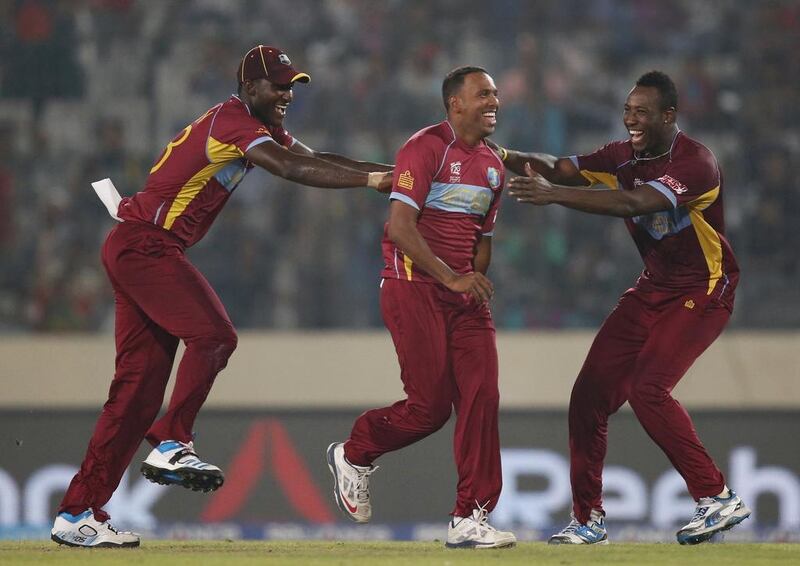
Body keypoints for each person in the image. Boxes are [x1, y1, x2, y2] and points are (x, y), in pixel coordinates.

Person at [51, 44, 393, 548]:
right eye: (278, 86)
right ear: (249, 86)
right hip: (146, 245)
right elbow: (290, 169)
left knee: (136, 394)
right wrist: (372, 180)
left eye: (291, 86)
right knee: (214, 336)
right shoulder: (233, 123)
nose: (286, 95)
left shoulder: (254, 125)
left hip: (140, 245)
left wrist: (391, 176)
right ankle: (173, 442)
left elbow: (314, 159)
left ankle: (78, 514)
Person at [501, 70, 750, 545]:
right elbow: (558, 166)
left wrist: (555, 198)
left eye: (642, 112)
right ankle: (588, 520)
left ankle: (717, 497)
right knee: (588, 396)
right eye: (628, 110)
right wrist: (502, 155)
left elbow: (634, 203)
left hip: (705, 287)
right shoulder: (621, 155)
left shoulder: (697, 162)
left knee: (648, 388)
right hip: (654, 288)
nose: (630, 119)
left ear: (668, 116)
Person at [326, 66, 516, 549]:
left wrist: (474, 279)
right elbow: (399, 229)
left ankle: (470, 516)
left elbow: (482, 238)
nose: (494, 102)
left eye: (495, 94)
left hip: (463, 299)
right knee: (429, 409)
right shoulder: (426, 147)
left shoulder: (494, 164)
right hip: (412, 288)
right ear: (455, 103)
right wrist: (452, 277)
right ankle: (355, 451)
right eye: (484, 94)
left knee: (482, 396)